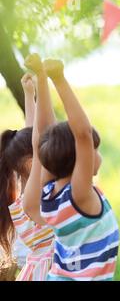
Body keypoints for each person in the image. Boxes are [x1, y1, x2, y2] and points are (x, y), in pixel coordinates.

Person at [23, 54, 119, 281]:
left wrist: (41, 78)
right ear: (80, 159)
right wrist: (59, 79)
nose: (96, 154)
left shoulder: (49, 194)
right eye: (94, 150)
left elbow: (40, 140)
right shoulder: (80, 196)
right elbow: (83, 134)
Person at [0, 73, 54, 281]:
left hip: (34, 267)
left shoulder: (21, 197)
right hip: (47, 271)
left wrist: (29, 94)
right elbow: (35, 135)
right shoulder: (37, 193)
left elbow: (32, 134)